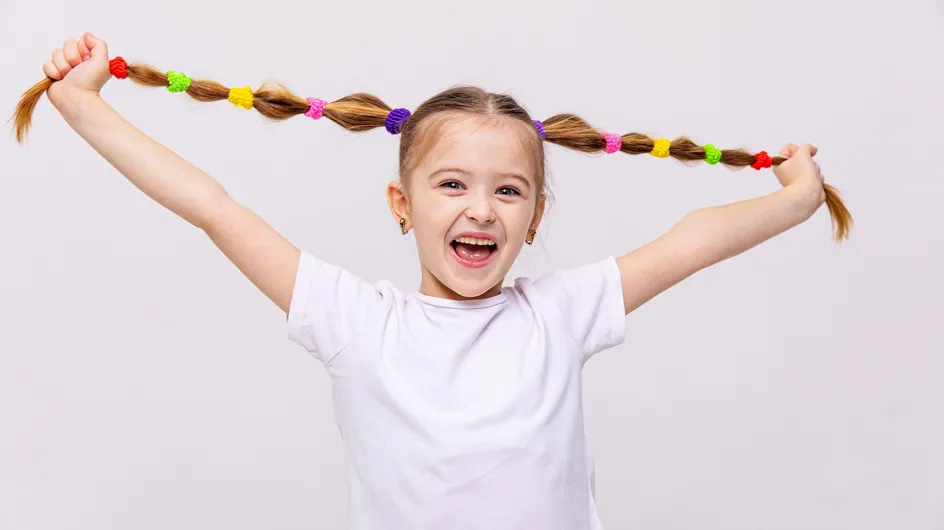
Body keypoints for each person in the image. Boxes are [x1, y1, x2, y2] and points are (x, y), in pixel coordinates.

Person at [16, 32, 851, 530]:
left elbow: (689, 240)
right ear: (401, 206)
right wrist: (83, 105)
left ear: (535, 215)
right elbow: (212, 205)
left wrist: (797, 199)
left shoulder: (560, 313)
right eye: (451, 184)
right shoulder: (354, 320)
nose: (481, 210)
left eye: (508, 190)